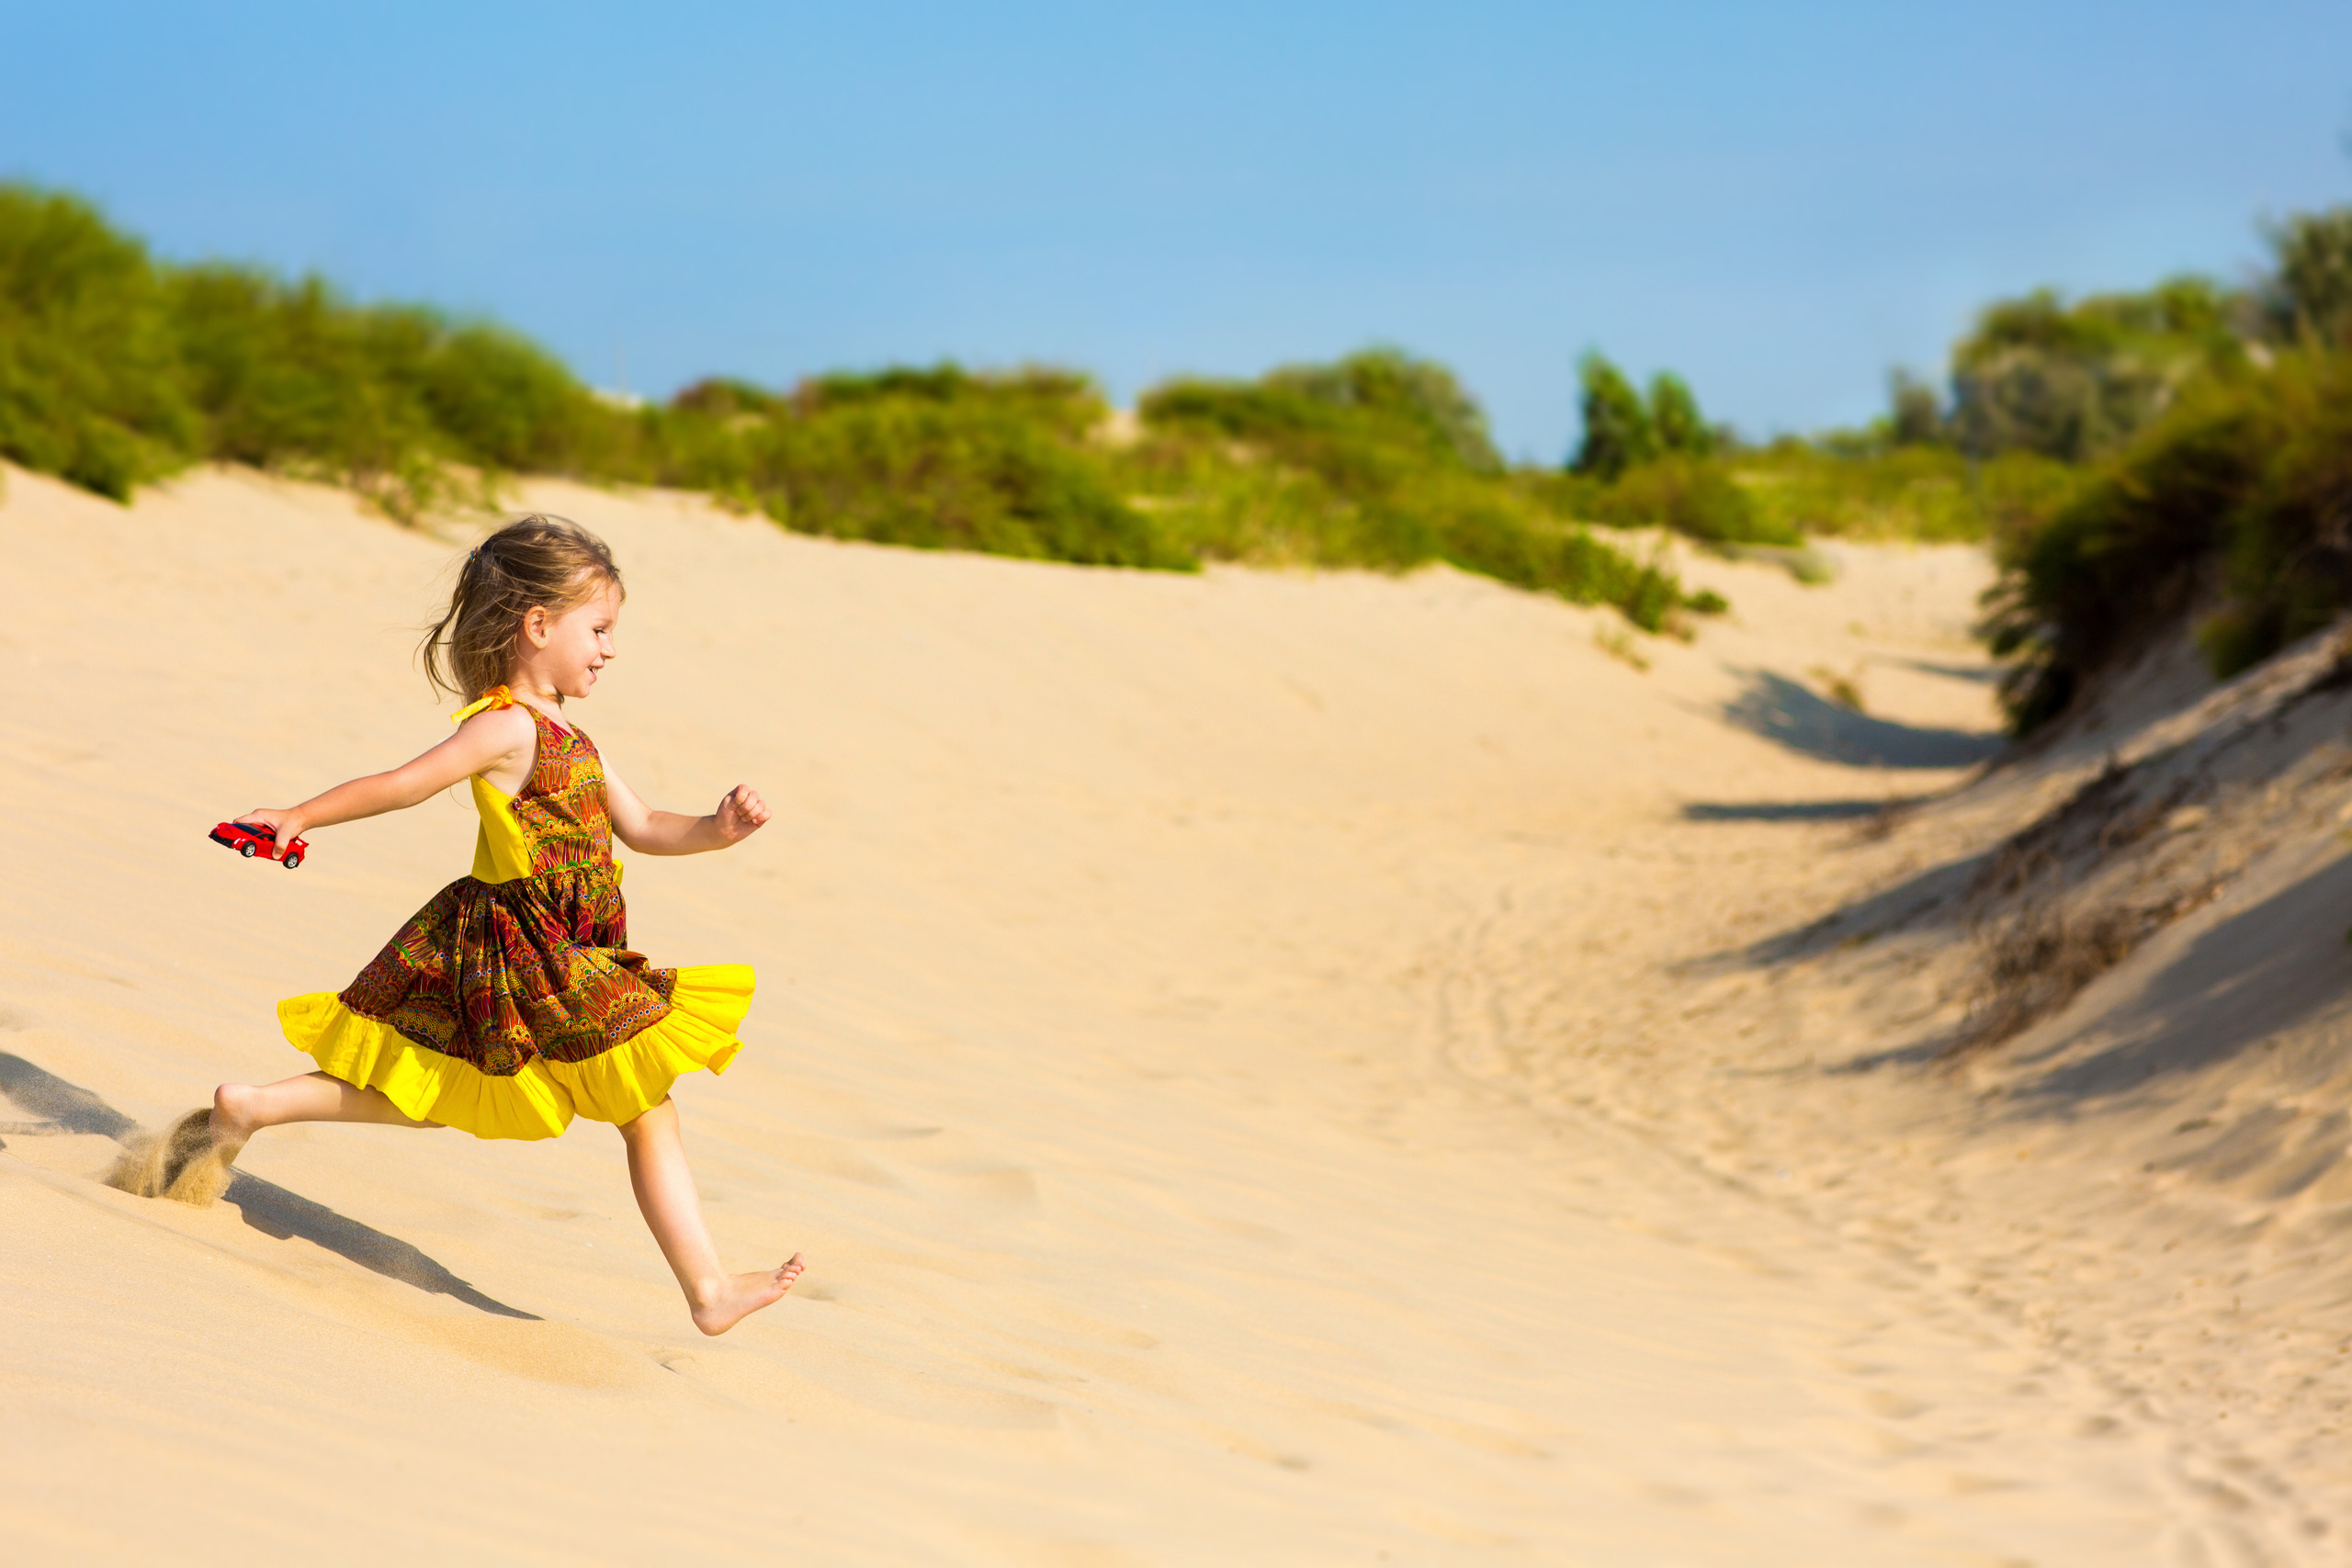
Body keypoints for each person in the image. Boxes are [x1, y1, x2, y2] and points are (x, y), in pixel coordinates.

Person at [114, 513, 803, 1335]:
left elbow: (647, 824)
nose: (611, 648)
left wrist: (718, 829)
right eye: (601, 628)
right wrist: (299, 814)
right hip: (529, 953)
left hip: (561, 949)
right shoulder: (507, 726)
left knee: (438, 1089)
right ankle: (708, 1289)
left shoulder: (571, 735)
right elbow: (404, 784)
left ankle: (254, 1104)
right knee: (643, 1104)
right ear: (537, 625)